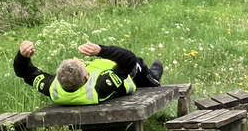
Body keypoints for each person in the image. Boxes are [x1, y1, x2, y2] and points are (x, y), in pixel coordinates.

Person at [15, 41, 164, 105]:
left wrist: (22, 56)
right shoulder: (101, 86)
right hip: (127, 80)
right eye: (81, 63)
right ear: (86, 76)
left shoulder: (52, 87)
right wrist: (101, 50)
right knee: (137, 63)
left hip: (101, 70)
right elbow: (128, 60)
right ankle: (153, 78)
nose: (78, 59)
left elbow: (26, 73)